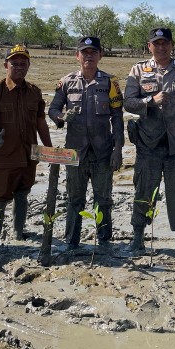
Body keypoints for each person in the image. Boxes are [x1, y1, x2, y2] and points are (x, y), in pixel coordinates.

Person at [124, 26, 175, 251]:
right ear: (149, 46)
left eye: (165, 43)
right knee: (143, 191)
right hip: (148, 144)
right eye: (156, 43)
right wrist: (150, 101)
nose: (161, 47)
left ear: (172, 45)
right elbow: (128, 102)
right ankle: (138, 237)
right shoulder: (138, 70)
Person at [48, 36, 124, 251]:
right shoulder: (66, 82)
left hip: (102, 152)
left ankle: (104, 241)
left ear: (100, 55)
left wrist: (118, 149)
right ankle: (72, 242)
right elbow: (52, 109)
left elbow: (117, 117)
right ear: (77, 55)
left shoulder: (111, 82)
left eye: (93, 52)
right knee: (74, 199)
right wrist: (61, 117)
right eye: (85, 52)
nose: (89, 56)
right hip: (75, 153)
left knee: (103, 199)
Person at [0, 44, 53, 245]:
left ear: (28, 65)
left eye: (23, 63)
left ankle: (18, 234)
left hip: (30, 155)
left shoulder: (34, 92)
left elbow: (40, 122)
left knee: (23, 195)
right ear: (6, 65)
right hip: (4, 156)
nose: (19, 66)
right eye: (15, 63)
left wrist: (49, 148)